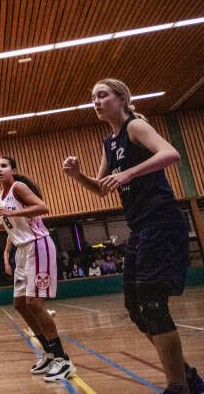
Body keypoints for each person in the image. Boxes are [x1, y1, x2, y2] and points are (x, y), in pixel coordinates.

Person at [62, 78, 203, 394]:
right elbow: (101, 189)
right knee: (136, 309)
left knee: (153, 304)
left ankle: (178, 386)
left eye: (102, 95)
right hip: (141, 227)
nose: (96, 101)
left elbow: (171, 154)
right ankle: (189, 378)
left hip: (162, 222)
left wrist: (129, 172)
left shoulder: (136, 127)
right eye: (93, 97)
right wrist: (78, 177)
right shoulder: (108, 142)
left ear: (122, 98)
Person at [0, 156, 76, 382]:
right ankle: (48, 353)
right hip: (22, 250)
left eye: (3, 166)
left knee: (34, 303)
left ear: (13, 170)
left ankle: (63, 360)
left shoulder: (19, 187)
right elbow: (14, 224)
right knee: (20, 304)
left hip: (39, 245)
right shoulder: (2, 196)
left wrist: (11, 214)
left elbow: (43, 207)